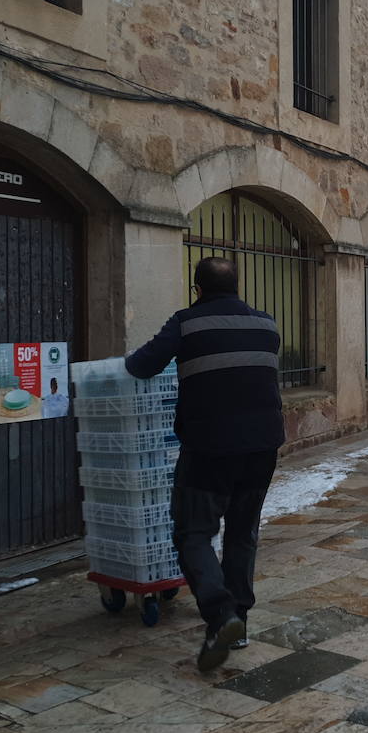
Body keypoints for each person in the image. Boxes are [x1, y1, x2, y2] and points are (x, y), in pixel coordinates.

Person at [125, 256, 284, 673]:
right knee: (242, 533)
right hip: (263, 447)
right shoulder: (266, 324)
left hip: (209, 448)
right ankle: (240, 623)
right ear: (237, 287)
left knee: (193, 533)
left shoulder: (187, 322)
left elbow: (140, 366)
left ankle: (220, 612)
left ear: (197, 289)